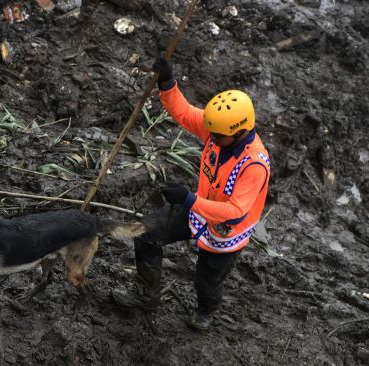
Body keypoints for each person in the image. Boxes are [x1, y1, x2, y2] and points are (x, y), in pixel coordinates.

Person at [112, 53, 271, 330]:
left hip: (225, 233)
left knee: (207, 282)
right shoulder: (218, 131)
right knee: (146, 233)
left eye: (218, 137)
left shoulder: (254, 164)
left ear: (240, 131)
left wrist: (188, 199)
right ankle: (146, 296)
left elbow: (235, 211)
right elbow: (185, 113)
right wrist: (167, 83)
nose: (212, 139)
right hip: (197, 210)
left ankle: (206, 310)